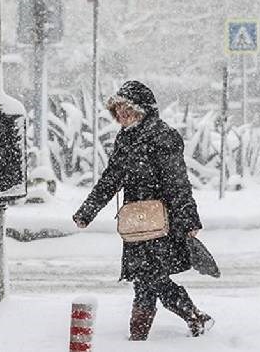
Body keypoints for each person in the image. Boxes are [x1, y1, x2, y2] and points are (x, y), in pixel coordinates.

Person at [72, 80, 213, 341]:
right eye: (118, 111)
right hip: (136, 222)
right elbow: (111, 178)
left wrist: (188, 219)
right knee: (145, 279)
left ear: (142, 109)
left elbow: (177, 182)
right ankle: (182, 321)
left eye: (127, 110)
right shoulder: (125, 138)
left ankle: (152, 331)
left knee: (151, 277)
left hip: (162, 221)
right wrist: (87, 211)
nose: (122, 116)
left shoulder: (163, 136)